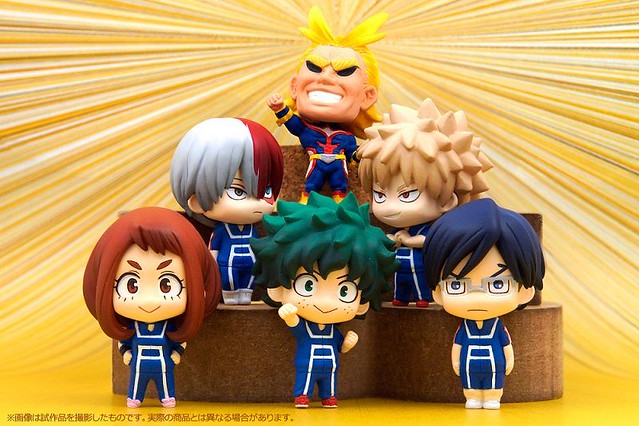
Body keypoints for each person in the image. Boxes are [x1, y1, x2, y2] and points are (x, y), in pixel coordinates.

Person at [251, 192, 397, 408]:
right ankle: (303, 395)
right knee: (306, 378)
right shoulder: (307, 328)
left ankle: (329, 396)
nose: (327, 303)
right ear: (278, 289)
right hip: (307, 364)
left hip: (331, 365)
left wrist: (346, 344)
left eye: (345, 290)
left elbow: (340, 345)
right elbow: (297, 328)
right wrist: (290, 316)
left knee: (330, 382)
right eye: (308, 285)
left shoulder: (332, 332)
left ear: (362, 301)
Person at [358, 99, 493, 306]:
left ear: (448, 201)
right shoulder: (401, 229)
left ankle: (422, 297)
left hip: (421, 269)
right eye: (380, 195)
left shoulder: (433, 231)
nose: (390, 206)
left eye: (407, 195)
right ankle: (401, 297)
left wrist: (408, 240)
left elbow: (431, 241)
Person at [83, 207, 221, 407]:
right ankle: (135, 398)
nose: (149, 300)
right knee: (136, 385)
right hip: (138, 365)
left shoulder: (168, 328)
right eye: (131, 285)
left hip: (164, 365)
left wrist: (175, 355)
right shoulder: (133, 329)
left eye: (167, 285)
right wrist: (127, 355)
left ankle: (166, 398)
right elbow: (124, 345)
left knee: (165, 384)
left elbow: (179, 345)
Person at [423, 198, 545, 409]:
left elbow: (506, 346)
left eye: (497, 284)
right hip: (469, 367)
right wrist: (456, 362)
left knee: (494, 383)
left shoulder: (497, 328)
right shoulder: (465, 329)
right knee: (469, 384)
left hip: (495, 366)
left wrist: (509, 361)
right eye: (457, 285)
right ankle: (472, 396)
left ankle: (492, 397)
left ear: (524, 292)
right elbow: (457, 346)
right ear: (438, 293)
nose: (477, 297)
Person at [267, 6, 386, 202]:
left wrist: (364, 153)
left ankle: (340, 202)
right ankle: (305, 201)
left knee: (340, 186)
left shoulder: (347, 138)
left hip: (339, 168)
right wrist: (280, 108)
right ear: (294, 87)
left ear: (367, 97)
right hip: (315, 164)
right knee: (311, 184)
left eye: (344, 71)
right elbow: (292, 123)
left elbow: (353, 159)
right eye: (315, 67)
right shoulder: (306, 130)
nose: (325, 78)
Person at [170, 118, 283, 304]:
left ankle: (245, 294)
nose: (256, 203)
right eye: (238, 191)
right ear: (197, 200)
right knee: (229, 281)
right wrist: (210, 271)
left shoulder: (253, 230)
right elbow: (213, 250)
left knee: (248, 283)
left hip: (250, 264)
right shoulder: (222, 230)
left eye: (266, 191)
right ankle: (230, 295)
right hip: (227, 264)